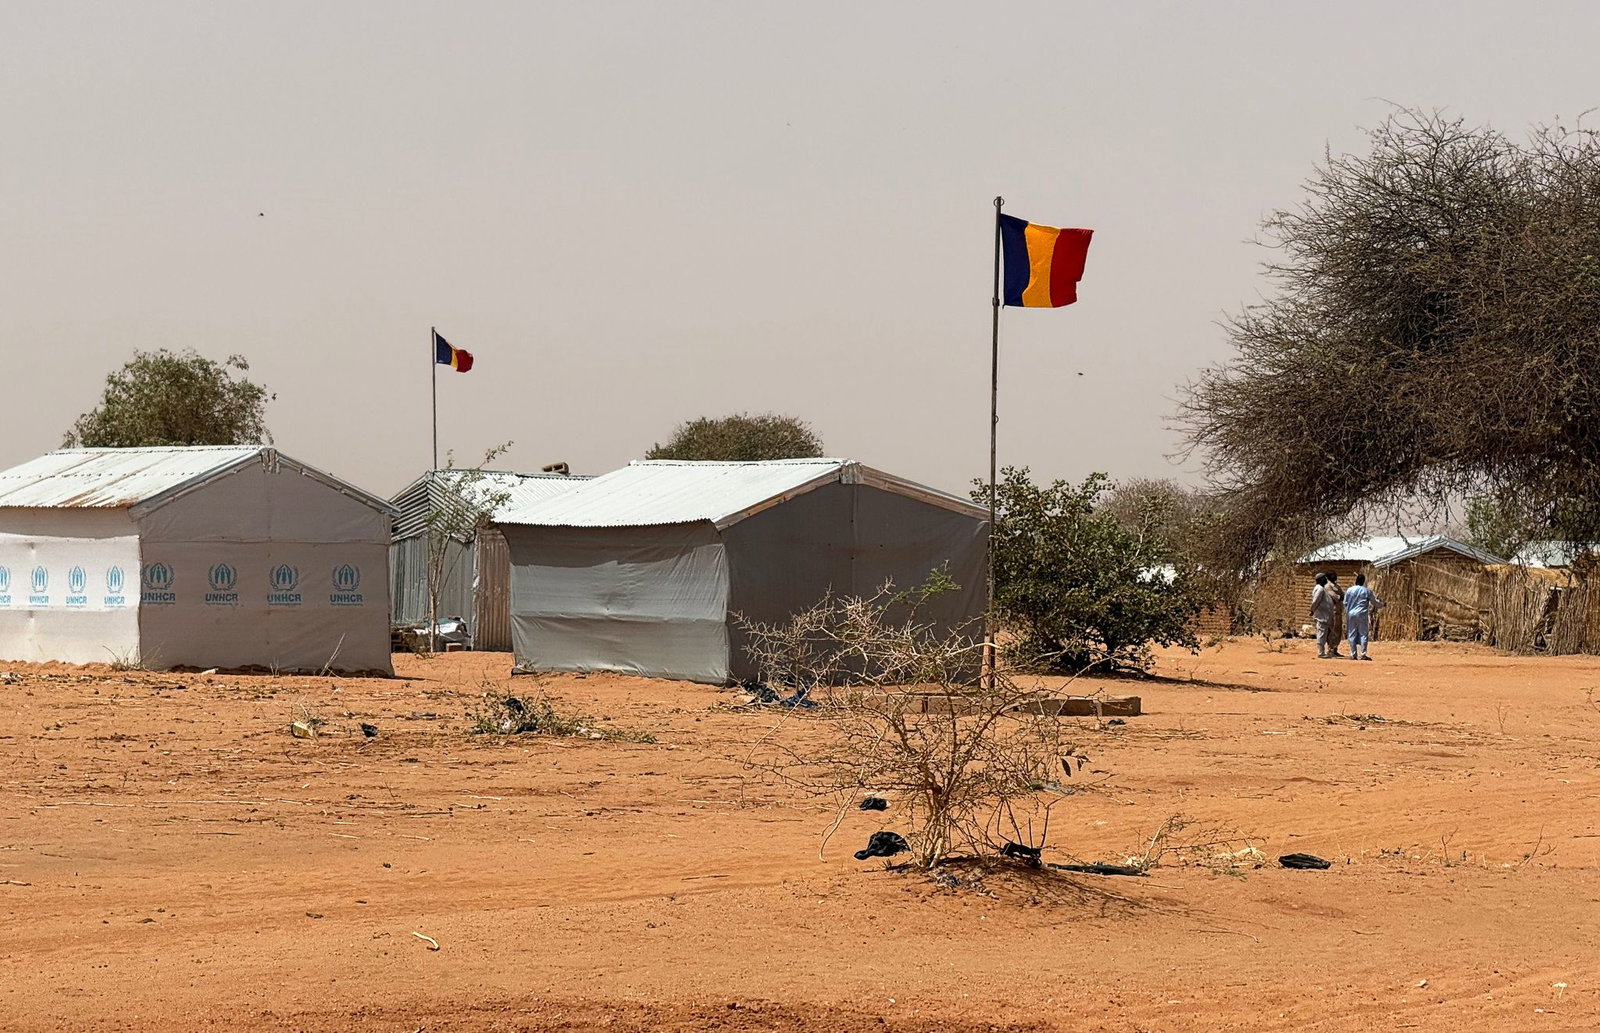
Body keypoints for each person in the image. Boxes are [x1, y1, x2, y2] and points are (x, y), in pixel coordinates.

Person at [1342, 573, 1383, 660]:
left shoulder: (1349, 590)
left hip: (1351, 614)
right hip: (1362, 614)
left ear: (1356, 581)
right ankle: (1363, 654)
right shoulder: (1366, 591)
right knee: (1363, 633)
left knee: (1352, 633)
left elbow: (1345, 603)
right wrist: (1382, 605)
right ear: (1363, 581)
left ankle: (1353, 654)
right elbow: (1374, 602)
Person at [1309, 573, 1342, 658]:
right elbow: (1315, 601)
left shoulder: (1322, 589)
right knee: (1321, 634)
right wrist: (1312, 610)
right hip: (1322, 616)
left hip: (1326, 616)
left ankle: (1329, 651)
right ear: (1320, 580)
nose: (1326, 580)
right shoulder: (1319, 589)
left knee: (1328, 634)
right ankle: (1321, 652)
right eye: (1324, 579)